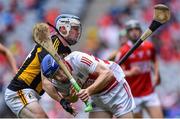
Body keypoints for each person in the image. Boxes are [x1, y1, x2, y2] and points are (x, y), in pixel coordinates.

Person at [4, 14, 82, 118]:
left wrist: (70, 95)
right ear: (63, 28)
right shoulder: (49, 44)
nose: (78, 32)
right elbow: (45, 83)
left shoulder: (67, 52)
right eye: (75, 28)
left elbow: (67, 94)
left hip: (33, 94)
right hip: (19, 90)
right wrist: (61, 101)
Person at [41, 51, 136, 118]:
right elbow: (73, 99)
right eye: (55, 76)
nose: (60, 77)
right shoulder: (58, 83)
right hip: (96, 96)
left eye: (59, 70)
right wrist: (72, 96)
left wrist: (88, 91)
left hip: (115, 88)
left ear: (62, 61)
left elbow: (108, 74)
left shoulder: (77, 58)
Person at [115, 19, 163, 118]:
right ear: (127, 34)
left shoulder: (149, 47)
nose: (134, 32)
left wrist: (157, 74)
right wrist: (130, 72)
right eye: (131, 30)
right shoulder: (123, 51)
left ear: (141, 31)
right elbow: (116, 72)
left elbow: (155, 60)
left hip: (150, 93)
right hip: (133, 96)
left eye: (136, 29)